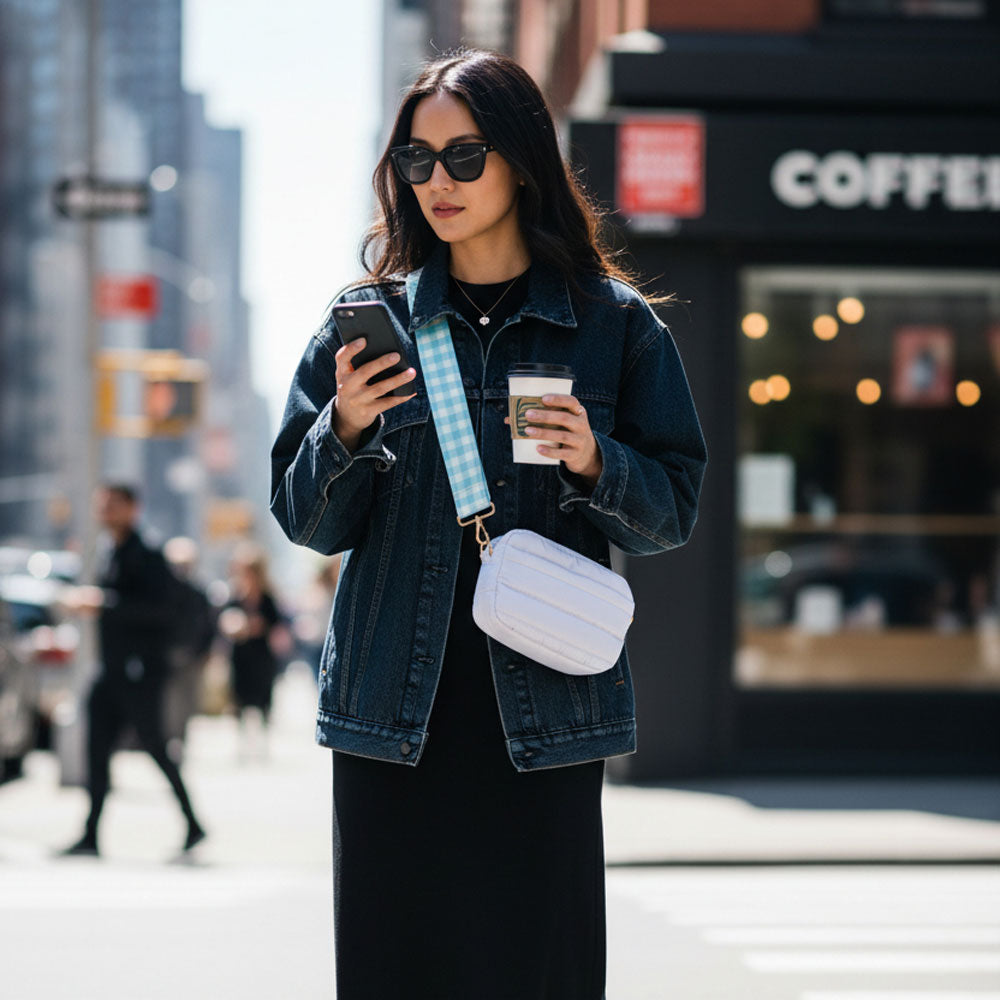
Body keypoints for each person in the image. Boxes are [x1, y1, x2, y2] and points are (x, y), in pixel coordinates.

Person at [270, 49, 706, 1000]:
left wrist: (598, 460)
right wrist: (344, 425)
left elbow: (673, 510)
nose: (438, 183)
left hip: (542, 719)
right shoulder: (364, 324)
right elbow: (306, 521)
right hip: (395, 724)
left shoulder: (613, 328)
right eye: (417, 162)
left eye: (463, 157)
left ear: (520, 160)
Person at [62, 484, 206, 857]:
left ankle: (193, 823)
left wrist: (104, 604)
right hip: (110, 669)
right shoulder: (109, 551)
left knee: (155, 748)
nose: (105, 512)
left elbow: (161, 610)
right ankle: (91, 834)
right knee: (96, 750)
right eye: (101, 505)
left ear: (132, 508)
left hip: (140, 671)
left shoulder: (149, 554)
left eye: (112, 505)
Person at [217, 542, 287, 760]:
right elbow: (223, 622)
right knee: (239, 700)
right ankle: (242, 745)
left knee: (263, 700)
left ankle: (263, 744)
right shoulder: (233, 596)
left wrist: (256, 626)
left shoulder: (268, 598)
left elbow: (276, 625)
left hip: (262, 657)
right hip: (240, 657)